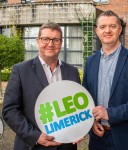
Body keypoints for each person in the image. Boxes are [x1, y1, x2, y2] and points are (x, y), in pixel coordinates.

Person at [2, 22, 81, 150]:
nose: (50, 44)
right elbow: (9, 110)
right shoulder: (21, 70)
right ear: (38, 41)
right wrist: (35, 136)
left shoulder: (72, 72)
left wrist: (79, 130)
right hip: (33, 146)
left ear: (61, 43)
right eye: (45, 39)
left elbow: (77, 109)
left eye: (55, 40)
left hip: (65, 146)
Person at [82, 10, 128, 150]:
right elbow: (85, 98)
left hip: (126, 139)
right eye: (102, 27)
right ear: (96, 31)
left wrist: (109, 113)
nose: (107, 30)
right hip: (97, 138)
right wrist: (91, 122)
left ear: (119, 30)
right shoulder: (90, 62)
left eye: (112, 26)